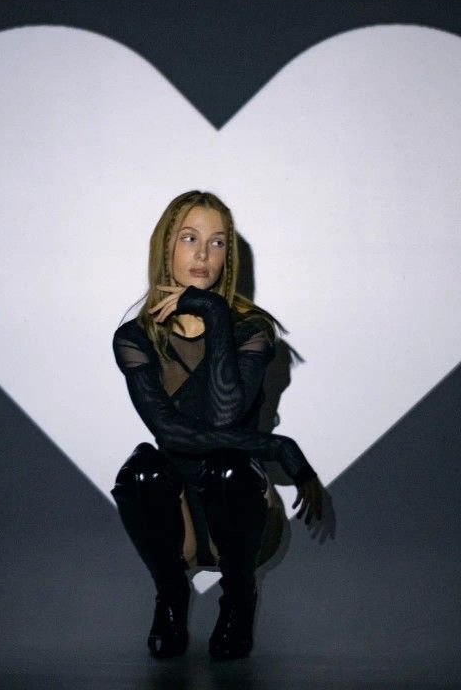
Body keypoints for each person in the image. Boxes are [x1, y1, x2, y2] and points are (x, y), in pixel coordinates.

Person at [111, 190, 323, 661]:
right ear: (166, 247)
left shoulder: (253, 330)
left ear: (230, 254)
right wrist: (276, 444)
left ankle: (239, 600)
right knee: (142, 469)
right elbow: (171, 435)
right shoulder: (135, 338)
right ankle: (170, 598)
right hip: (176, 519)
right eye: (190, 238)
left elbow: (223, 413)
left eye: (218, 242)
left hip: (240, 514)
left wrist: (211, 310)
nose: (203, 255)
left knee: (228, 464)